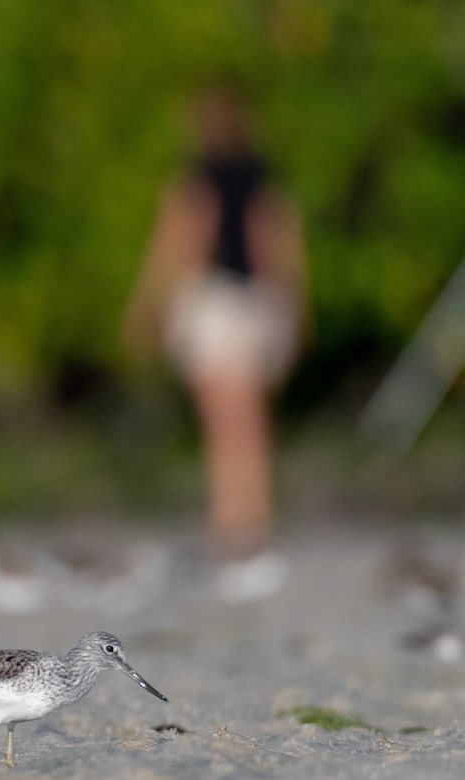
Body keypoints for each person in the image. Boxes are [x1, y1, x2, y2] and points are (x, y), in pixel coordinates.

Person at [124, 84, 307, 602]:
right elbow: (276, 241)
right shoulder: (264, 176)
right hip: (257, 299)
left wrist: (149, 305)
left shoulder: (195, 177)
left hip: (213, 300)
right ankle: (253, 521)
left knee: (220, 420)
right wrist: (288, 304)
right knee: (249, 419)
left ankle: (228, 525)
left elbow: (183, 243)